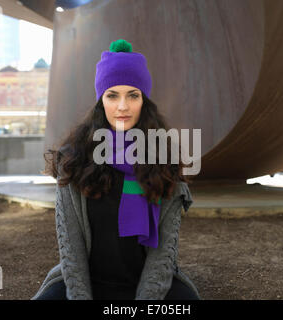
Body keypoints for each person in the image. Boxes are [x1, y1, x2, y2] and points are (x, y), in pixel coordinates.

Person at [31, 39, 201, 300]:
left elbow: (163, 255)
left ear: (144, 100)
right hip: (85, 282)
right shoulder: (73, 161)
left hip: (146, 284)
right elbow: (71, 252)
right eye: (112, 95)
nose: (123, 107)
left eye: (133, 95)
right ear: (101, 100)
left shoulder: (164, 161)